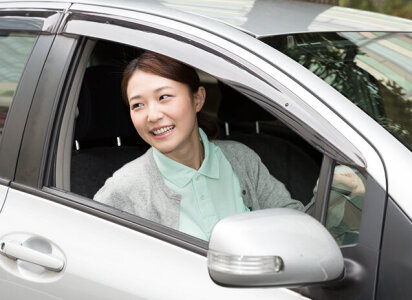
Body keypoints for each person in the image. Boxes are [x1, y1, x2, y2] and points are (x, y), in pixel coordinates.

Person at [94, 51, 364, 241]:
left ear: (198, 99)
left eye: (164, 97)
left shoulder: (241, 159)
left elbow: (293, 229)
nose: (152, 115)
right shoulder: (124, 189)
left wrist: (335, 197)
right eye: (138, 105)